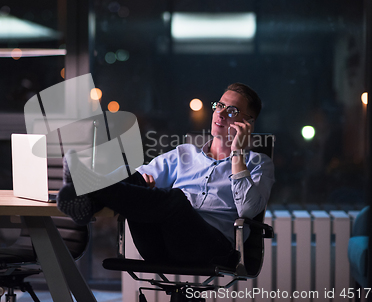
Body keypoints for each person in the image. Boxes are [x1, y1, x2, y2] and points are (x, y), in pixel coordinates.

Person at [57, 83, 274, 266]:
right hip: (158, 245)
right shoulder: (183, 154)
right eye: (220, 105)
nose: (221, 113)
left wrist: (237, 154)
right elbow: (137, 179)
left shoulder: (258, 163)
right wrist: (144, 190)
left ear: (248, 123)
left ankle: (86, 186)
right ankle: (87, 201)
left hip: (212, 251)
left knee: (177, 200)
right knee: (132, 175)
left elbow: (247, 210)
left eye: (232, 111)